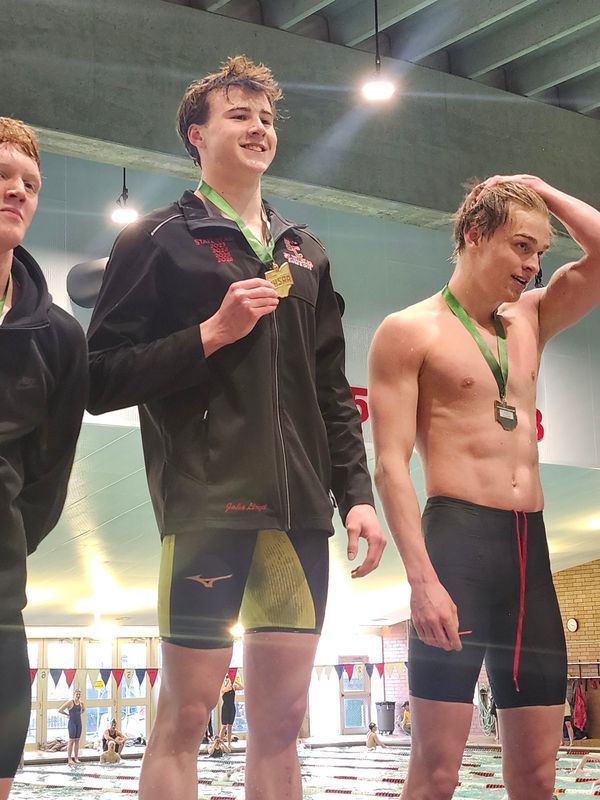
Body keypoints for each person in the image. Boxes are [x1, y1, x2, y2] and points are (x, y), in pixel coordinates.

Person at [86, 56, 385, 800]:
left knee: (283, 722)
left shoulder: (303, 251)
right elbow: (97, 379)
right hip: (209, 505)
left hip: (299, 519)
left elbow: (331, 390)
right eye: (239, 115)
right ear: (197, 135)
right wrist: (208, 335)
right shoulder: (157, 240)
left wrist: (357, 494)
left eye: (268, 117)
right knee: (184, 716)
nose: (259, 128)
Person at [369, 175, 600, 800]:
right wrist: (421, 581)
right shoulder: (409, 331)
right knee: (437, 771)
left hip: (531, 554)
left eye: (541, 254)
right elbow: (390, 464)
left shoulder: (531, 319)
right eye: (521, 247)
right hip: (457, 550)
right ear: (474, 235)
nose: (532, 266)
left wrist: (538, 190)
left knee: (537, 776)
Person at [0, 118, 87, 800]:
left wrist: (7, 538)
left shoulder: (57, 337)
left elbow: (49, 471)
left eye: (29, 183)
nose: (16, 192)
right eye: (1, 178)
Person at [58, 688, 86, 764]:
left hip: (79, 723)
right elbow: (60, 710)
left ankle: (76, 757)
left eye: (79, 694)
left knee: (77, 740)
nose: (78, 695)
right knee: (71, 741)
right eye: (77, 694)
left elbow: (83, 710)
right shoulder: (70, 702)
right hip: (72, 723)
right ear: (74, 694)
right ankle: (69, 758)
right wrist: (67, 714)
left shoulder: (81, 703)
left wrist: (79, 713)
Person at [219, 674, 242, 748]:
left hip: (232, 707)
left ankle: (229, 743)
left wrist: (236, 681)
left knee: (230, 726)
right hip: (225, 707)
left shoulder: (233, 687)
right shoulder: (224, 686)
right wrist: (229, 682)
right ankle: (219, 743)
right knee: (223, 727)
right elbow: (225, 689)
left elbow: (242, 687)